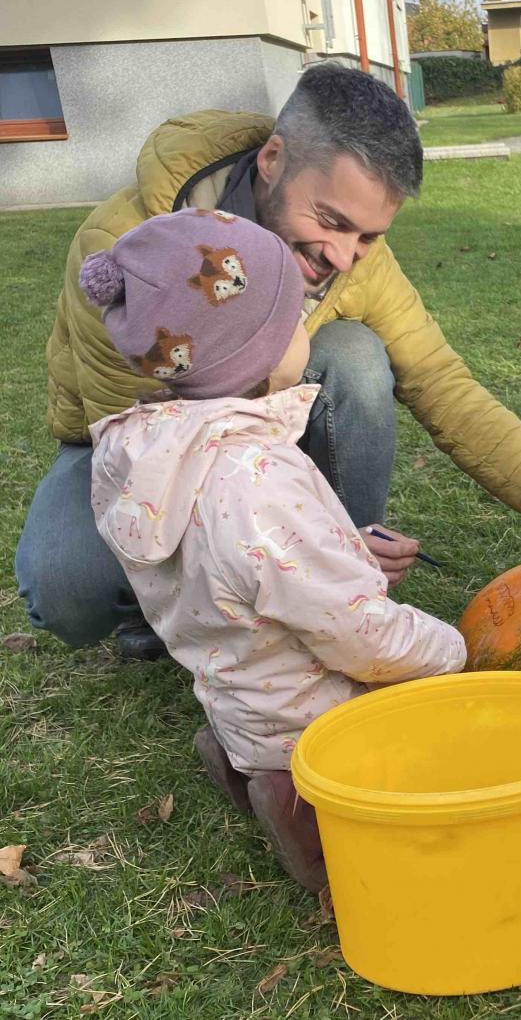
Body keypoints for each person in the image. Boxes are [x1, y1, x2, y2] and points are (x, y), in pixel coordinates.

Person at [15, 63, 521, 660]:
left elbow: (442, 383)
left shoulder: (351, 257)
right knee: (67, 590)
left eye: (369, 236)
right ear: (273, 160)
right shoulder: (126, 249)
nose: (346, 257)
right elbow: (146, 458)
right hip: (131, 447)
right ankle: (181, 607)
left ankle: (338, 588)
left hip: (266, 440)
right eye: (331, 220)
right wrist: (305, 546)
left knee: (354, 352)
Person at [83, 209, 468, 890]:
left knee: (246, 710)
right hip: (305, 710)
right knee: (389, 735)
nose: (307, 331)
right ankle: (296, 806)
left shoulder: (148, 449)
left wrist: (339, 543)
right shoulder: (258, 476)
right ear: (253, 350)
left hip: (231, 681)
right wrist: (445, 650)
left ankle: (235, 754)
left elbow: (231, 558)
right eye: (295, 318)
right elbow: (348, 626)